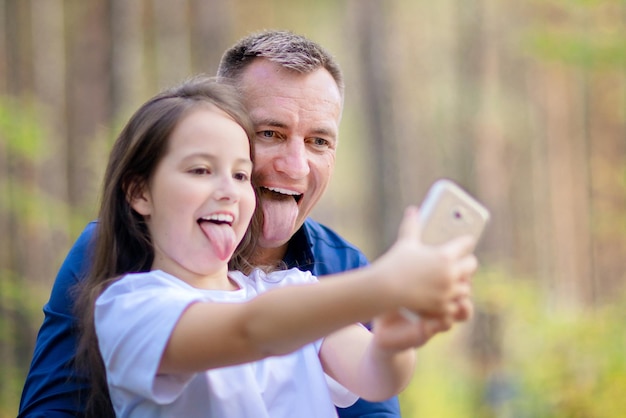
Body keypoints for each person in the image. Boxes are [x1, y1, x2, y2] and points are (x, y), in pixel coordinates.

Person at [18, 30, 475, 417]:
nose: (295, 167)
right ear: (140, 193)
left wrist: (396, 340)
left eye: (318, 141)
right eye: (270, 134)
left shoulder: (307, 283)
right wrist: (383, 286)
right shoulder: (129, 302)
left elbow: (375, 378)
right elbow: (252, 330)